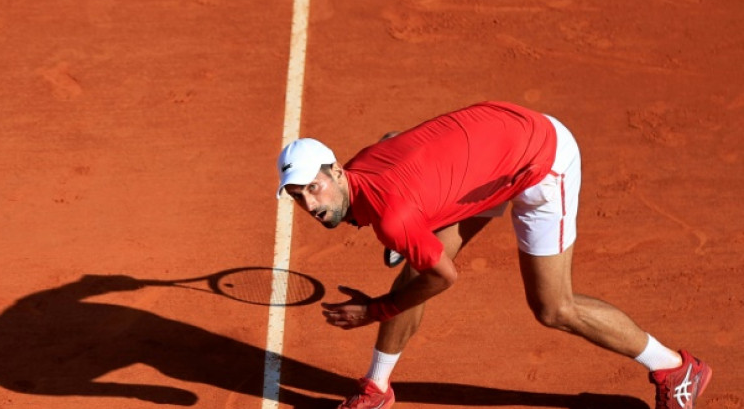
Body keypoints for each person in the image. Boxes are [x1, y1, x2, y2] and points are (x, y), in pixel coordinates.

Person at [275, 101, 712, 409]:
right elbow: (394, 140)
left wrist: (376, 309)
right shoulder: (363, 165)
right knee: (412, 275)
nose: (310, 204)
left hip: (539, 161)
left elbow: (444, 276)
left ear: (336, 171)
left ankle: (675, 369)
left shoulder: (393, 217)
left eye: (313, 188)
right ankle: (377, 387)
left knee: (553, 307)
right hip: (490, 147)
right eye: (298, 196)